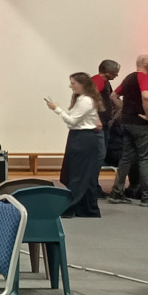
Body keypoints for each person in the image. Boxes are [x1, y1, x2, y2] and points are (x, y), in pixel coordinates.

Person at [46, 73, 106, 219]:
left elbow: (72, 121)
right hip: (79, 137)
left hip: (83, 139)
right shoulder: (82, 99)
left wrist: (57, 109)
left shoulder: (86, 100)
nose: (70, 86)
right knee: (79, 174)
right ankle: (86, 209)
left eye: (73, 83)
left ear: (82, 84)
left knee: (79, 176)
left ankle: (69, 207)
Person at [111, 55, 148, 206]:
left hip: (126, 123)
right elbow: (146, 96)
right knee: (146, 159)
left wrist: (126, 110)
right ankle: (147, 196)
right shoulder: (143, 77)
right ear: (146, 64)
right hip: (140, 125)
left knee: (126, 158)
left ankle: (116, 192)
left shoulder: (129, 78)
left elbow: (113, 96)